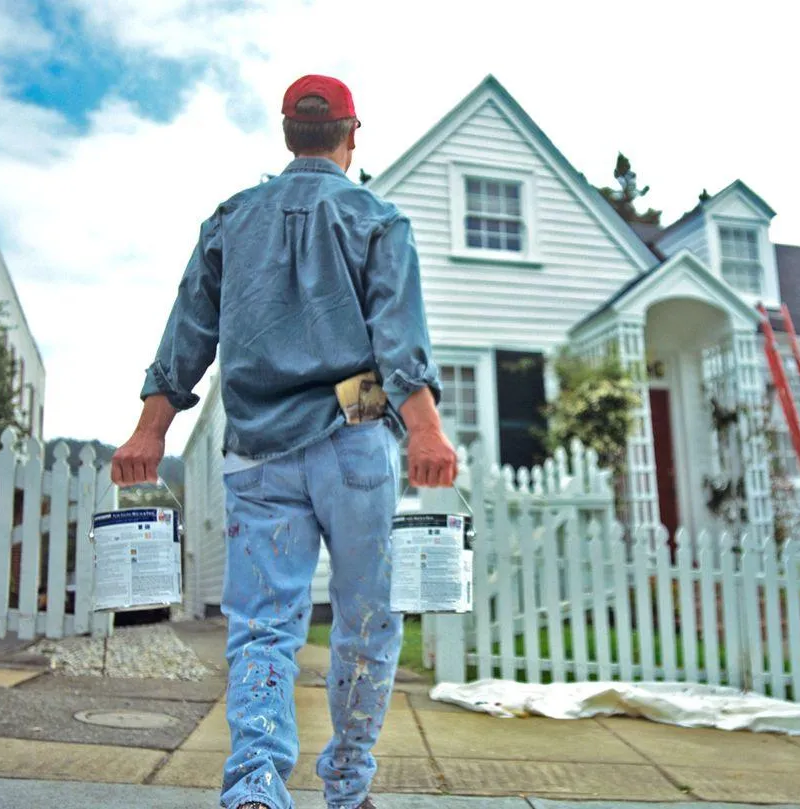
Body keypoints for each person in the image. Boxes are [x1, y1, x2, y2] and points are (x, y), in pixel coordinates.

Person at [111, 74, 458, 809]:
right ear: (351, 134)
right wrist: (424, 428)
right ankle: (348, 786)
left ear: (285, 135)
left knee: (262, 627)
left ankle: (255, 791)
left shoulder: (232, 219)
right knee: (366, 618)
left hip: (257, 443)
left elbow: (188, 331)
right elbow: (398, 338)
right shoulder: (376, 218)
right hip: (354, 428)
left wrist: (150, 429)